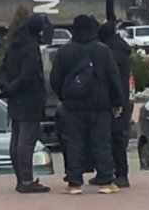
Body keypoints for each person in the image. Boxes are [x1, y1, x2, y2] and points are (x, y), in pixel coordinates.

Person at [50, 15, 125, 194]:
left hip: (73, 106)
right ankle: (106, 181)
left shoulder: (64, 51)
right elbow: (113, 78)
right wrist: (117, 101)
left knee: (74, 142)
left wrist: (65, 96)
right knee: (102, 142)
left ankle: (74, 182)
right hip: (100, 105)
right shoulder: (103, 51)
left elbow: (55, 79)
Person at [0, 15, 50, 194]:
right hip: (30, 99)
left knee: (17, 139)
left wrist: (6, 87)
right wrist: (14, 87)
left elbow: (2, 69)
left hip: (15, 100)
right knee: (26, 141)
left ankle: (21, 178)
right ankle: (27, 180)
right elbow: (29, 74)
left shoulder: (14, 45)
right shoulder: (31, 47)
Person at [98, 21, 133, 188]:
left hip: (115, 102)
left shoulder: (111, 54)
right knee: (116, 138)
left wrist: (116, 102)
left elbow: (112, 80)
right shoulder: (121, 51)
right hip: (123, 99)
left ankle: (120, 174)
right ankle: (115, 173)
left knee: (115, 139)